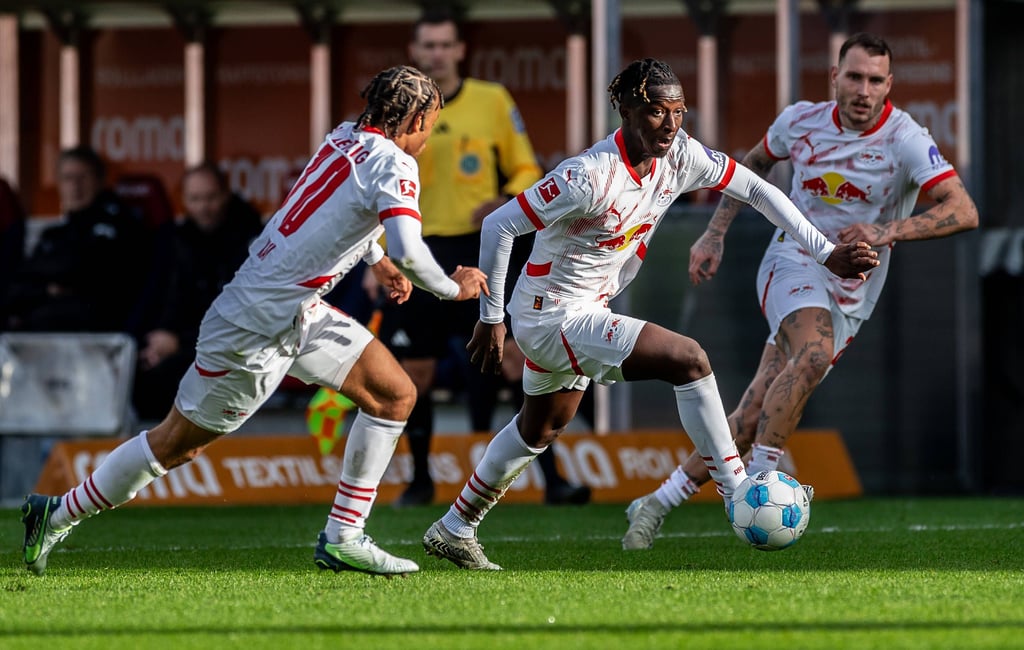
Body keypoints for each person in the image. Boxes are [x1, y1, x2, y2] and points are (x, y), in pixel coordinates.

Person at [19, 65, 489, 577]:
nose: (428, 138)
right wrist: (451, 287)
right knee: (176, 444)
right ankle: (56, 514)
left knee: (394, 394)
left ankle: (344, 536)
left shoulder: (344, 138)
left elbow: (332, 212)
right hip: (253, 328)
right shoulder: (395, 164)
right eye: (431, 125)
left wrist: (375, 260)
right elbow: (411, 248)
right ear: (417, 118)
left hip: (294, 310)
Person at [420, 57, 879, 570]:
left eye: (680, 111)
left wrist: (825, 252)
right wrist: (491, 318)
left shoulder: (681, 155)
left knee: (540, 429)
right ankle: (737, 493)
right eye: (658, 111)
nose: (671, 123)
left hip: (583, 309)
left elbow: (755, 187)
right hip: (551, 316)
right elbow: (499, 227)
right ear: (627, 110)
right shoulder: (587, 176)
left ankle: (455, 526)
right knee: (689, 359)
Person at [621, 33, 980, 551]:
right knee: (812, 354)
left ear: (889, 86)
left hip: (854, 291)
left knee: (748, 418)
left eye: (875, 80)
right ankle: (764, 488)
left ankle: (656, 503)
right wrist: (715, 231)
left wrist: (886, 231)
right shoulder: (800, 121)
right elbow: (754, 166)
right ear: (834, 77)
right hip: (794, 260)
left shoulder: (905, 138)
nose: (863, 90)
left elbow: (963, 210)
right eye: (853, 77)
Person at [383, 9, 588, 507]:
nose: (436, 54)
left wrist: (506, 199)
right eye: (427, 46)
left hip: (483, 247)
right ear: (415, 53)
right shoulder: (397, 109)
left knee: (519, 360)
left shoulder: (491, 101)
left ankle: (553, 479)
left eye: (444, 45)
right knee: (418, 373)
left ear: (459, 51)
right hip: (418, 249)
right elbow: (376, 182)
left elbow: (526, 168)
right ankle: (420, 480)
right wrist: (379, 255)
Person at [132, 162, 264, 420]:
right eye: (195, 199)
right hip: (175, 343)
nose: (204, 207)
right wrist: (148, 342)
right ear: (183, 200)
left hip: (231, 347)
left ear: (226, 195)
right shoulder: (174, 238)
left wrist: (179, 342)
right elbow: (155, 297)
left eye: (211, 197)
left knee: (164, 381)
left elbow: (243, 314)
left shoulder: (251, 239)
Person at [2, 145, 148, 333]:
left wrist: (48, 282)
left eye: (82, 177)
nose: (75, 186)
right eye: (67, 178)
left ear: (100, 180)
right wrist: (48, 290)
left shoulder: (121, 224)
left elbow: (83, 270)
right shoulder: (54, 234)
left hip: (99, 335)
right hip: (43, 333)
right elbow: (15, 287)